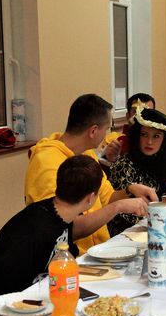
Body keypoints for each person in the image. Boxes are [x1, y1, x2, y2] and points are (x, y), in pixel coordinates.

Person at [24, 93, 157, 253]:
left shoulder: (86, 153)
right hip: (67, 257)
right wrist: (118, 207)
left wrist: (130, 190)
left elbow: (107, 197)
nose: (106, 135)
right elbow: (62, 227)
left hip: (98, 250)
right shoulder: (46, 162)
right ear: (93, 131)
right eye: (106, 129)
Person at [0, 156, 103, 298]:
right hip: (0, 302)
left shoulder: (55, 212)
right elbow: (7, 287)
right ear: (90, 198)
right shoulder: (36, 229)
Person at [107, 107, 166, 236]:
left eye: (156, 136)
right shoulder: (123, 165)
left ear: (164, 140)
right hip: (126, 234)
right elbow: (126, 216)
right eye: (144, 135)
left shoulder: (161, 161)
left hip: (154, 227)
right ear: (137, 136)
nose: (149, 142)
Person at [101, 93, 156, 164]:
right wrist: (111, 160)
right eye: (136, 112)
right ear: (128, 115)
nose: (141, 117)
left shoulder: (161, 141)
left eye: (148, 112)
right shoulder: (114, 141)